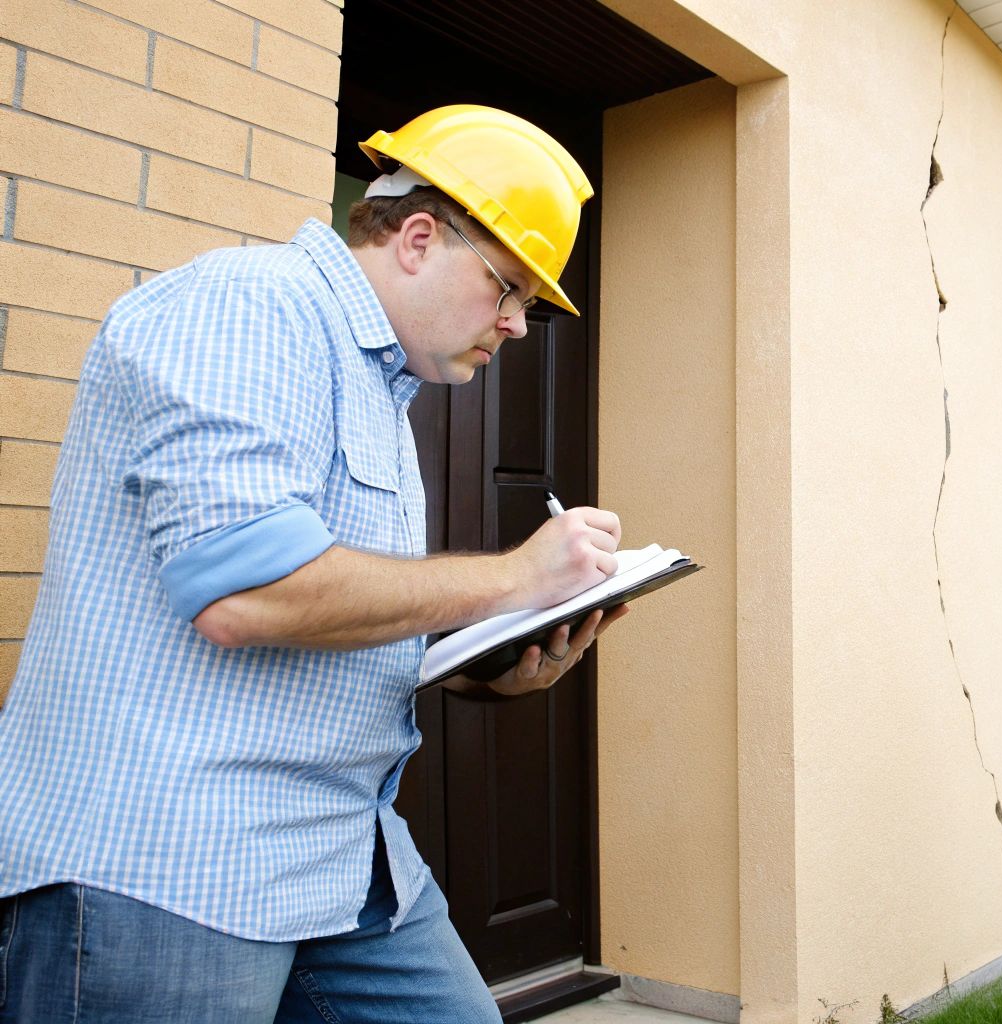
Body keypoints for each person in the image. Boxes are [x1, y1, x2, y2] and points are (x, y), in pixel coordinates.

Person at [0, 105, 621, 1023]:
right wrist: (516, 578)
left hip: (343, 862)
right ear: (416, 238)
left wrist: (485, 669)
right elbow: (246, 591)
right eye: (509, 289)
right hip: (169, 871)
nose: (517, 324)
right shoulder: (250, 307)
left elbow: (335, 614)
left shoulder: (380, 385)